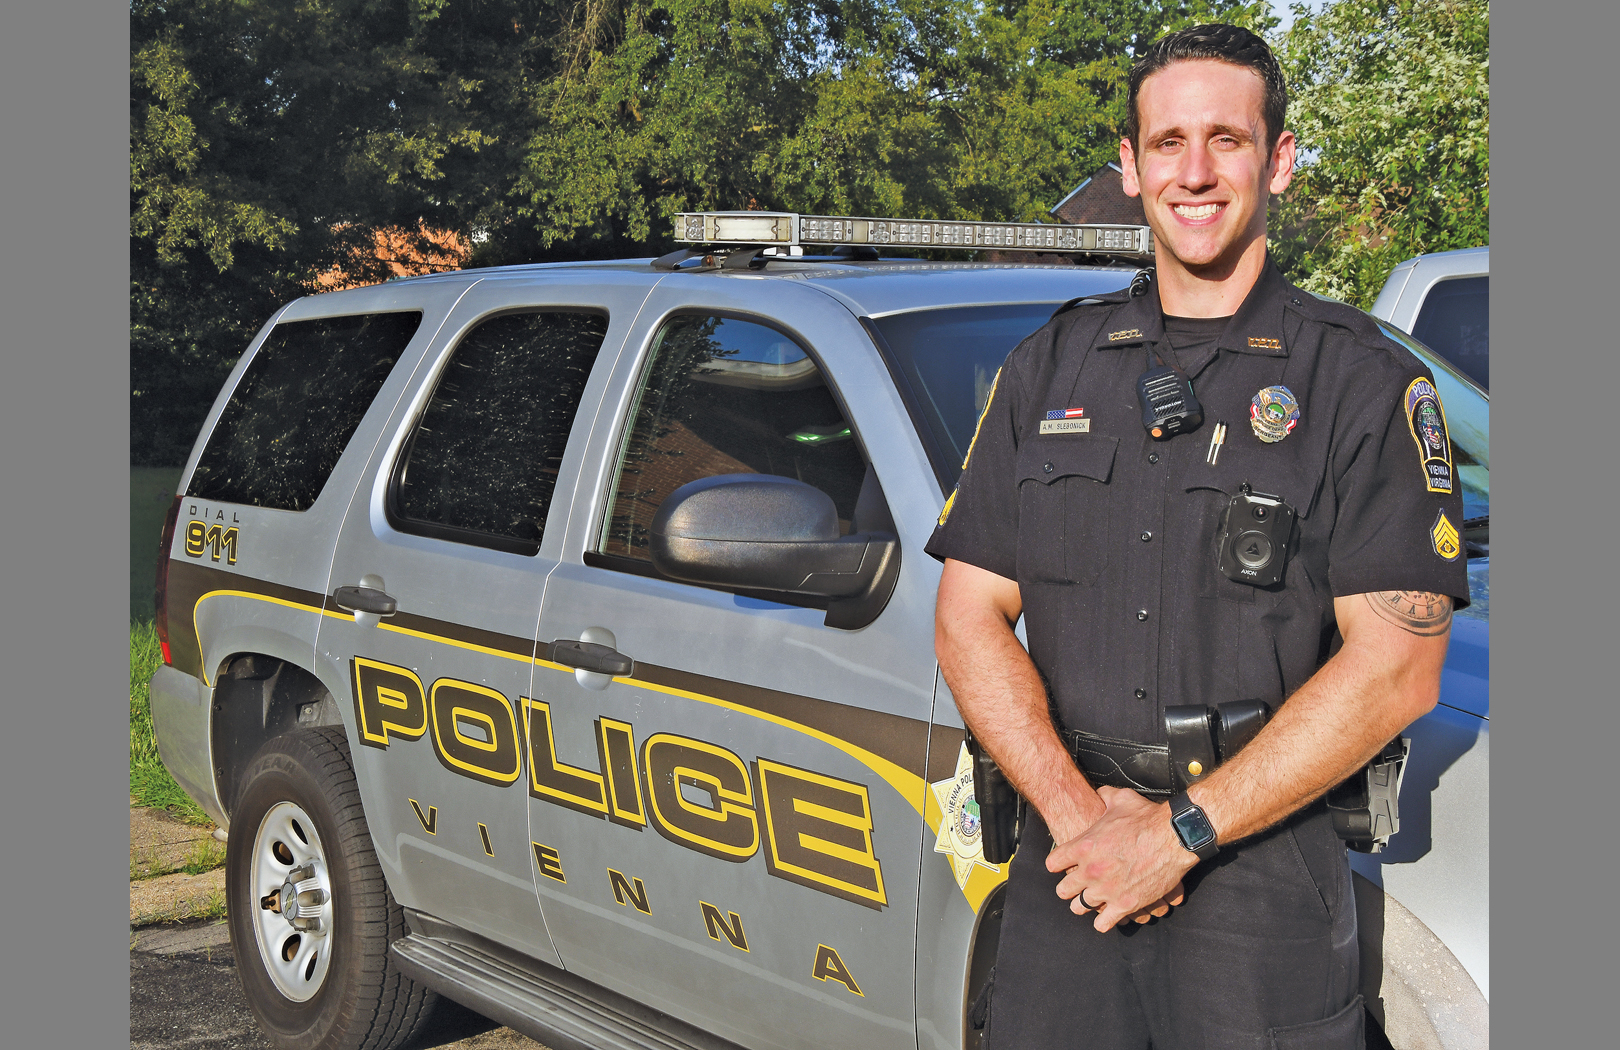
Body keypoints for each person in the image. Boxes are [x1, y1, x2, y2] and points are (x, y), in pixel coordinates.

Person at [925, 23, 1470, 1050]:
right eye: (1168, 142)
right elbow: (968, 618)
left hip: (1257, 880)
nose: (1197, 170)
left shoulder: (1359, 381)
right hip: (1068, 861)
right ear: (1129, 168)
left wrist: (1178, 836)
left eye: (1227, 137)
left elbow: (1398, 668)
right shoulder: (1049, 368)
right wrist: (1083, 818)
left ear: (1281, 158)